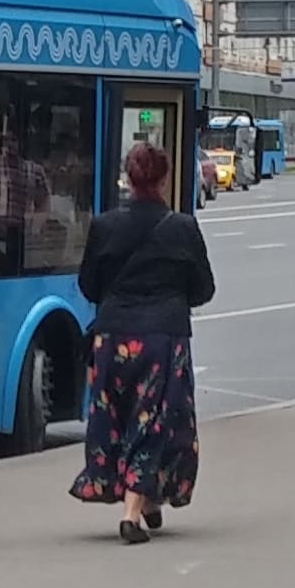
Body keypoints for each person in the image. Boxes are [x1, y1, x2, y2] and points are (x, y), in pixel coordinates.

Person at [71, 137, 213, 541]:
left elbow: (89, 287)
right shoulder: (182, 228)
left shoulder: (104, 225)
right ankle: (132, 514)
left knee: (116, 418)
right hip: (162, 339)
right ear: (164, 181)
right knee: (153, 421)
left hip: (113, 337)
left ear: (127, 180)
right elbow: (204, 290)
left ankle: (146, 498)